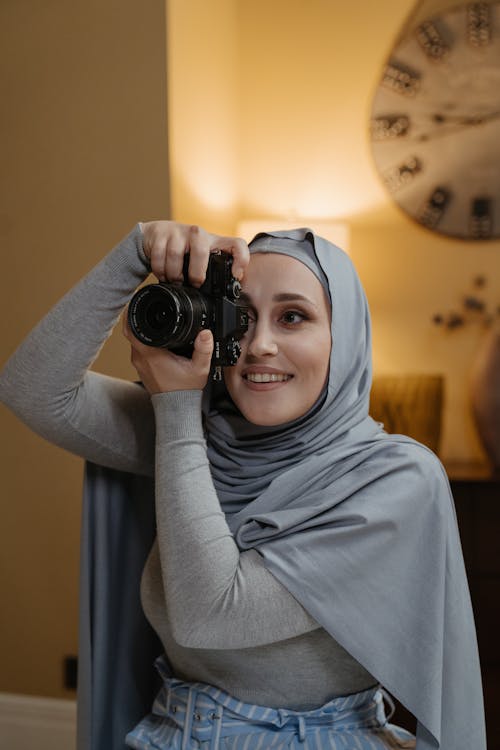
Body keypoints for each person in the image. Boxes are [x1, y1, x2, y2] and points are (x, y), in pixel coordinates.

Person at [0, 221, 486, 750]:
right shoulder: (195, 428)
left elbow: (211, 616)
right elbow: (33, 390)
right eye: (242, 317)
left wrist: (179, 411)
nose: (259, 346)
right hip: (167, 735)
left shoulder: (395, 480)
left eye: (293, 317)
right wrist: (133, 253)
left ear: (343, 339)